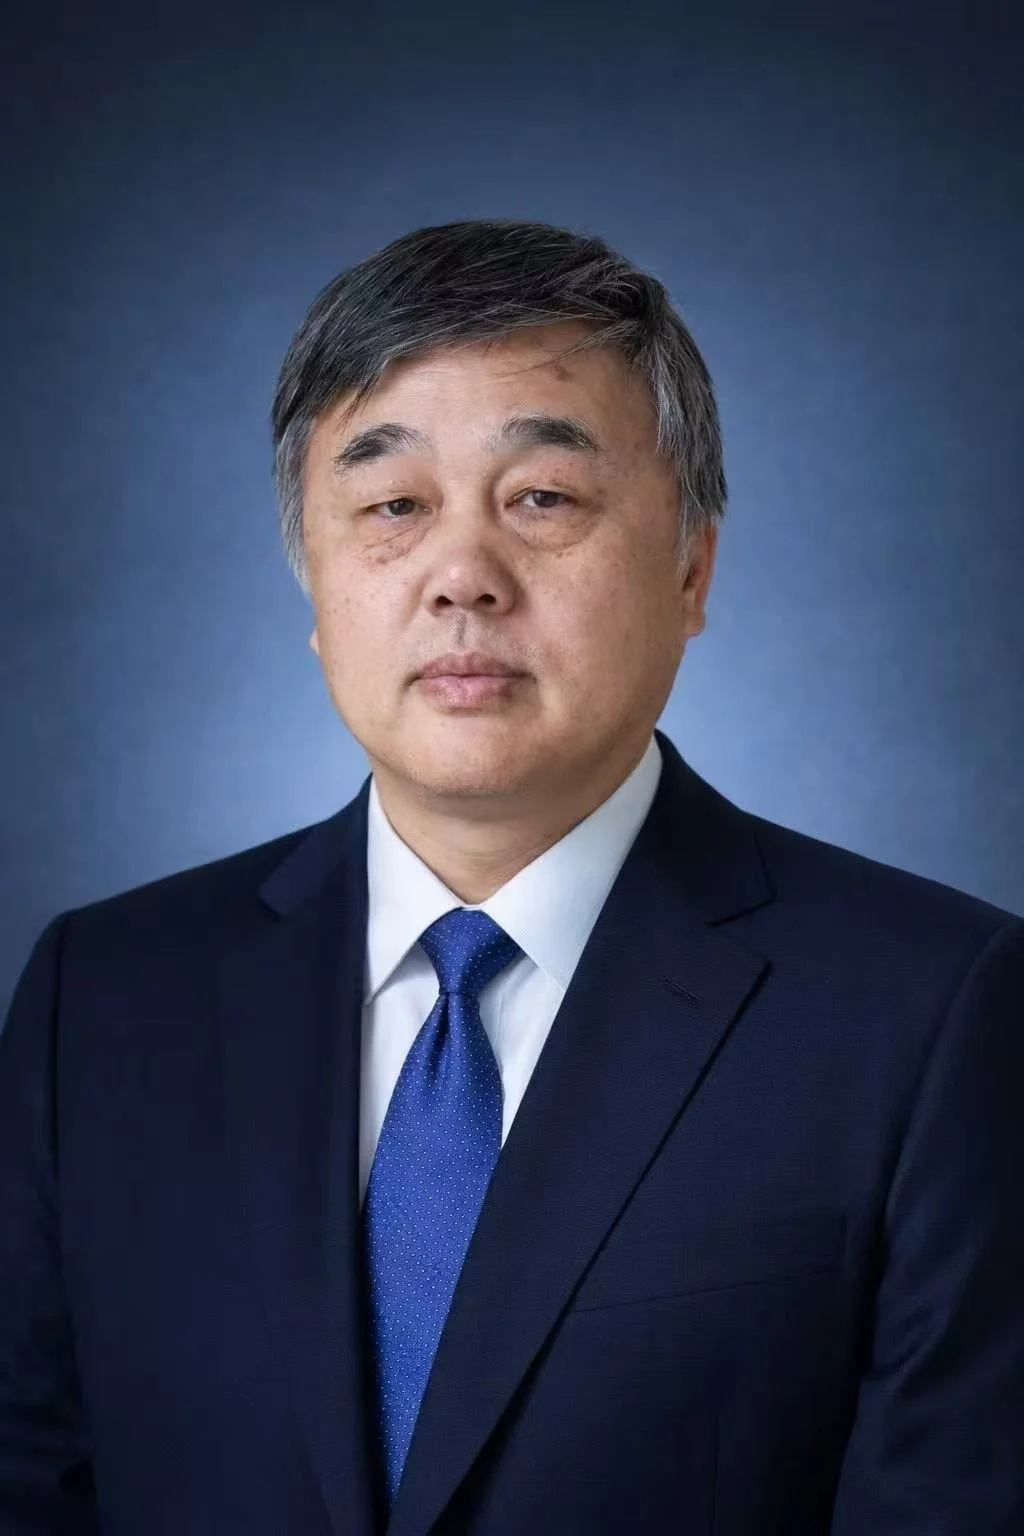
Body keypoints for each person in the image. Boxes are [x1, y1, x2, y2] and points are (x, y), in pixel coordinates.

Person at [1, 217, 1021, 1536]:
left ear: (693, 565)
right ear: (314, 584)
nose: (462, 579)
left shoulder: (938, 1015)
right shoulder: (104, 997)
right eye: (391, 507)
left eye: (543, 499)